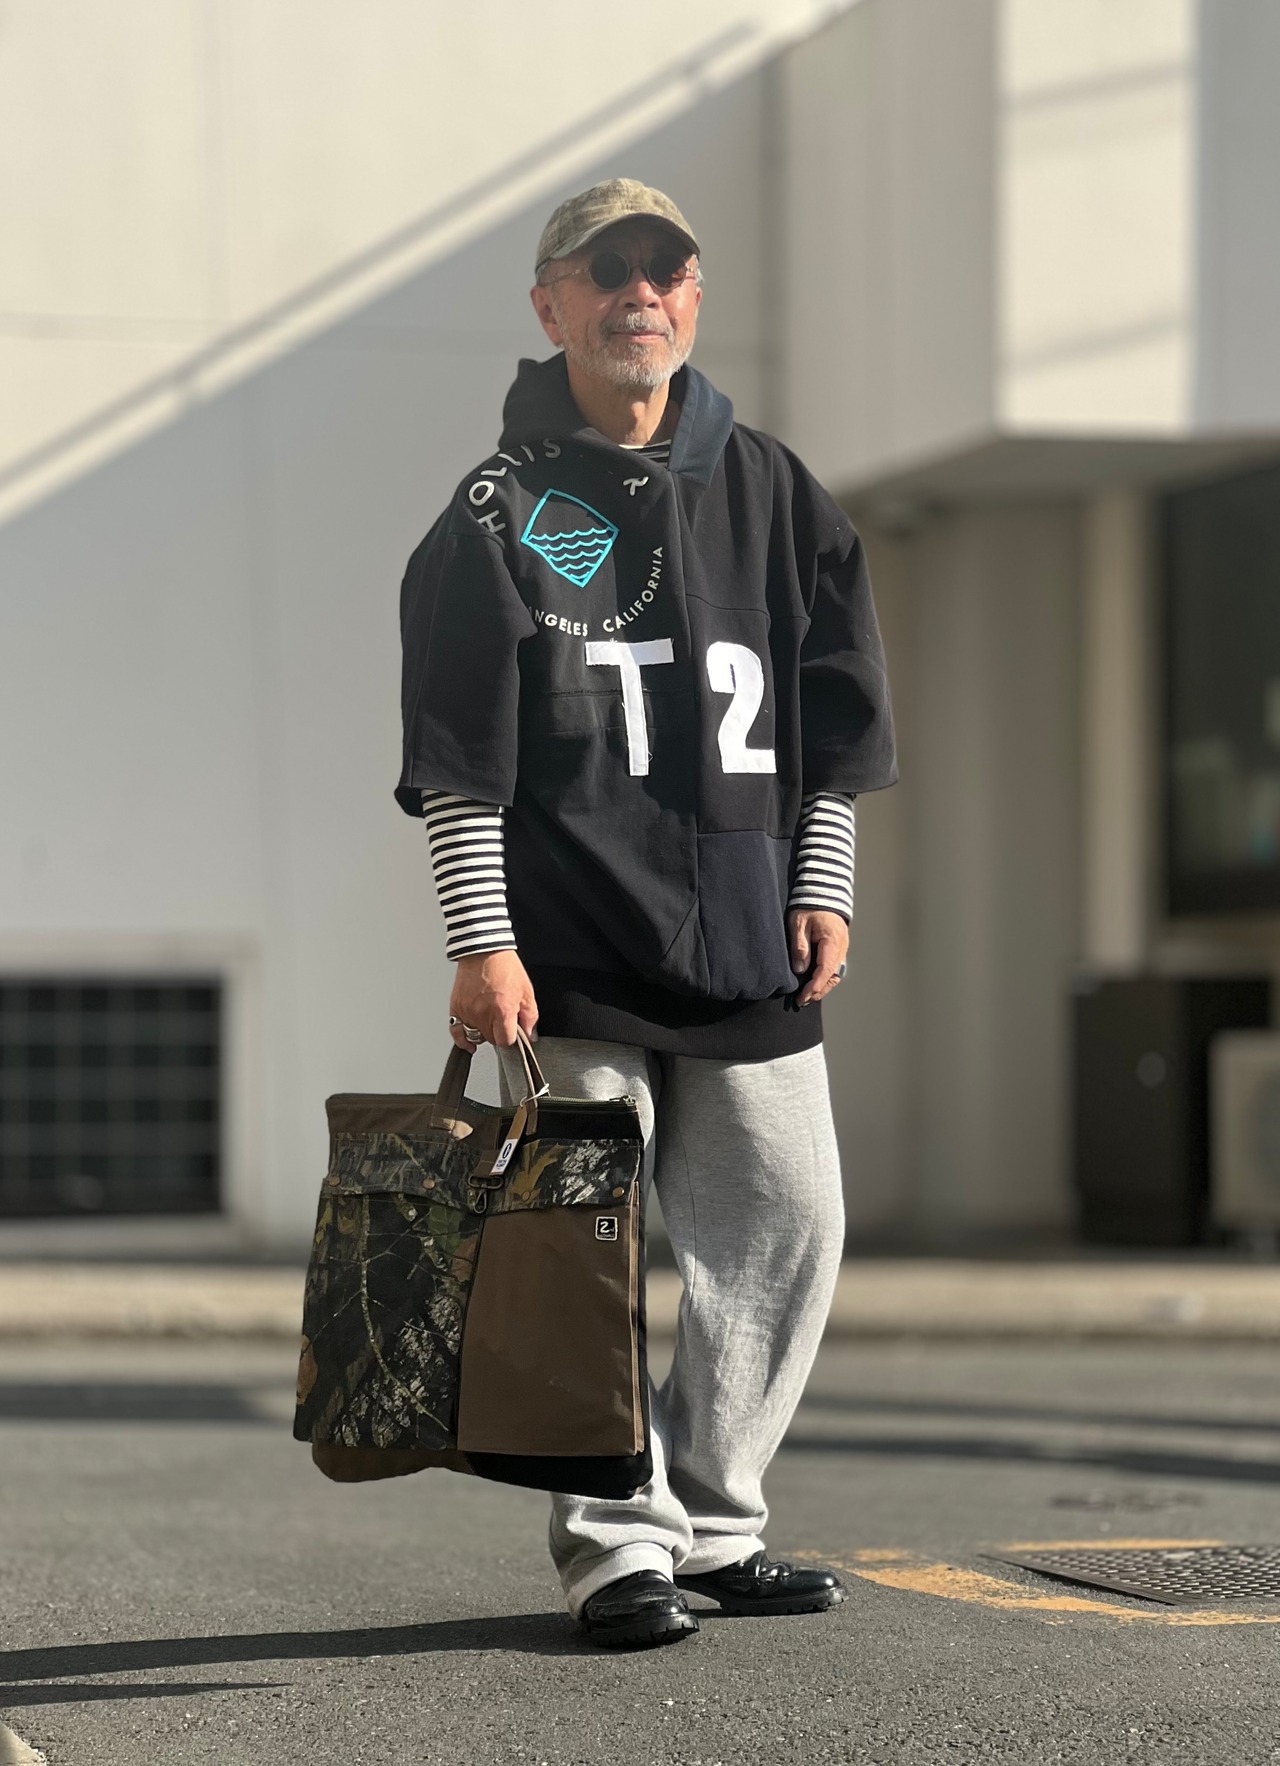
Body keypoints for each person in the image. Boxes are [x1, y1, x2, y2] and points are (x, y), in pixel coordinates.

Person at [396, 179, 896, 1649]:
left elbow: (833, 711)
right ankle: (618, 1546)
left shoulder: (774, 491)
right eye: (605, 269)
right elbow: (461, 757)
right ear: (550, 305)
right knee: (585, 1257)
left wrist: (822, 879)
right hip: (572, 947)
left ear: (693, 296)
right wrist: (481, 942)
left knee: (790, 1225)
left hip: (747, 938)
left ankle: (719, 1519)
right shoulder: (502, 512)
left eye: (664, 269)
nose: (639, 292)